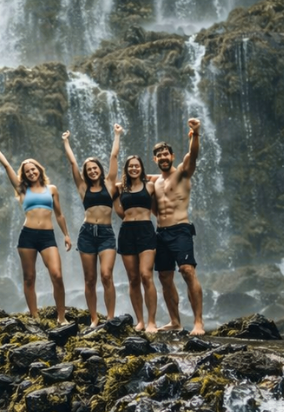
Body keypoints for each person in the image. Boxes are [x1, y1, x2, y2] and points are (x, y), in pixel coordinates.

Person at [0, 135, 72, 325]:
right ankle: (34, 317)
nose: (31, 173)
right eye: (27, 171)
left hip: (48, 236)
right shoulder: (22, 189)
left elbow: (59, 215)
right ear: (24, 175)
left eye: (33, 169)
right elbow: (7, 166)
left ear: (39, 170)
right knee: (29, 277)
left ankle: (61, 317)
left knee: (57, 274)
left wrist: (66, 234)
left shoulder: (52, 189)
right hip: (28, 236)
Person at [61, 125, 122, 328]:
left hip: (106, 235)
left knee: (106, 275)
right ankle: (95, 318)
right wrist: (66, 142)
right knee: (89, 279)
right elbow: (73, 162)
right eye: (89, 170)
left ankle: (111, 318)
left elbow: (114, 157)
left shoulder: (110, 183)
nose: (92, 171)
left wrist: (116, 135)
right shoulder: (82, 187)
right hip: (87, 234)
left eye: (95, 168)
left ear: (100, 169)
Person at [151, 118, 204, 335]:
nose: (163, 157)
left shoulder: (182, 172)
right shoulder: (154, 182)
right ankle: (175, 321)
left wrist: (196, 133)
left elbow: (193, 156)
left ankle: (198, 323)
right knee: (165, 276)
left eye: (166, 154)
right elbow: (154, 208)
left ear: (172, 156)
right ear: (155, 159)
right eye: (159, 155)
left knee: (187, 271)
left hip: (180, 229)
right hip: (161, 233)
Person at [113, 153, 158, 333]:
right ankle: (140, 321)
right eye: (130, 166)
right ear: (126, 169)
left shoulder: (151, 185)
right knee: (133, 279)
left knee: (146, 275)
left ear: (141, 167)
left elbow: (157, 207)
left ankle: (152, 322)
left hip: (146, 230)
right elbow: (117, 208)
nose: (133, 168)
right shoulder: (120, 188)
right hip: (127, 231)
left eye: (136, 166)